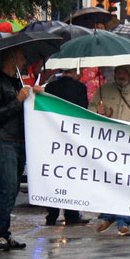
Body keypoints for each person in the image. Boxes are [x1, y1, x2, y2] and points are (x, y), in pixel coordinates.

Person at [0, 47, 42, 251]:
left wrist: (33, 93)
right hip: (5, 141)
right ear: (12, 59)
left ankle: (5, 233)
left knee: (13, 188)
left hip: (20, 140)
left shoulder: (17, 82)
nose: (25, 61)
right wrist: (18, 100)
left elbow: (25, 104)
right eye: (23, 57)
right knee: (7, 187)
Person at [89, 65, 130, 236]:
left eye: (125, 72)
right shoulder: (103, 90)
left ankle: (122, 221)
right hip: (107, 146)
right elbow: (89, 112)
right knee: (109, 182)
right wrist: (97, 111)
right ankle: (109, 215)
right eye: (118, 71)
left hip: (129, 148)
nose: (121, 75)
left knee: (125, 183)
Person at [44, 68, 90, 226]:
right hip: (73, 138)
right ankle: (71, 213)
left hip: (54, 137)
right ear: (76, 71)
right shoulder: (80, 88)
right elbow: (83, 112)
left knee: (55, 174)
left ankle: (52, 213)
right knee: (71, 175)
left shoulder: (50, 87)